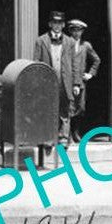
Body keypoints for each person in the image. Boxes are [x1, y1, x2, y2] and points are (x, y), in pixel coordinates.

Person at [34, 10, 77, 148]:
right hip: (48, 80)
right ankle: (48, 137)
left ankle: (63, 137)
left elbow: (74, 63)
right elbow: (36, 62)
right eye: (54, 23)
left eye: (59, 23)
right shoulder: (41, 41)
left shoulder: (70, 42)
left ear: (63, 25)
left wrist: (76, 83)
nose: (57, 26)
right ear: (50, 24)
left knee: (65, 108)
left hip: (65, 81)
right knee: (48, 108)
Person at [67, 19, 101, 144]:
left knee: (80, 107)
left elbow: (96, 60)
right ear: (70, 31)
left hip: (81, 82)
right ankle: (68, 134)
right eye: (74, 30)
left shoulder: (86, 45)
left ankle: (76, 131)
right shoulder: (66, 43)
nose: (77, 33)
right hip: (68, 80)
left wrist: (90, 74)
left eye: (79, 30)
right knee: (68, 107)